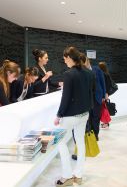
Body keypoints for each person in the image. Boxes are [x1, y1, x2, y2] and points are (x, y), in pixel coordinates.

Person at [54, 46, 93, 187]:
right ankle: (79, 175)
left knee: (60, 142)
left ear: (70, 58)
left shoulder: (69, 74)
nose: (65, 62)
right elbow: (91, 94)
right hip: (84, 114)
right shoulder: (89, 73)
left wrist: (59, 115)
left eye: (65, 59)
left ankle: (67, 176)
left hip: (70, 115)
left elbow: (66, 98)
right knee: (80, 142)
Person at [88, 60, 106, 140]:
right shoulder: (82, 70)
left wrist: (103, 95)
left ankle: (95, 134)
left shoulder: (97, 69)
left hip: (97, 97)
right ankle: (90, 134)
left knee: (96, 116)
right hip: (87, 98)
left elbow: (103, 82)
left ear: (88, 61)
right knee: (89, 117)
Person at [98, 61, 112, 128]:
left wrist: (105, 94)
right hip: (105, 94)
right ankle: (105, 123)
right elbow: (109, 85)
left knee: (104, 109)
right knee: (104, 108)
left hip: (103, 94)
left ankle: (106, 123)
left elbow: (105, 85)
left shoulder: (103, 75)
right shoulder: (107, 74)